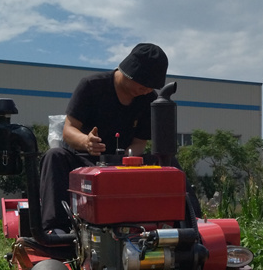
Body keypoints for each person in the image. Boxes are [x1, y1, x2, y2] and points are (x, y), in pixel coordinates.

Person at [40, 43, 200, 232]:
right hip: (86, 160)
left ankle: (193, 225)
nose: (146, 90)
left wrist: (127, 159)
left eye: (150, 87)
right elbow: (69, 129)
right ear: (129, 72)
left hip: (125, 163)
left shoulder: (148, 99)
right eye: (143, 85)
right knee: (54, 156)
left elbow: (139, 142)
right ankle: (56, 230)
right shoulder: (92, 86)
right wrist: (86, 142)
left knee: (168, 162)